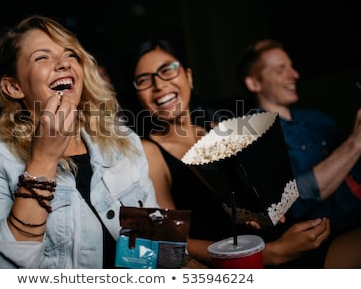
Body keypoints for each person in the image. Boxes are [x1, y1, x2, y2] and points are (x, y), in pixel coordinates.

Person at [127, 38, 360, 268]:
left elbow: (253, 199)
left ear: (188, 76)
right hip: (245, 262)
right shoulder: (148, 152)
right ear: (137, 95)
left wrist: (263, 212)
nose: (159, 85)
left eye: (167, 70)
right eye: (144, 80)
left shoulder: (219, 126)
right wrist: (265, 254)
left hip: (284, 238)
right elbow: (169, 243)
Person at [0, 15, 159, 268]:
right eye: (42, 57)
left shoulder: (123, 141)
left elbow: (151, 245)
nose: (63, 64)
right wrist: (43, 161)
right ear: (14, 87)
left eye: (70, 54)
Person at [237, 39, 361, 237]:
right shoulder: (249, 135)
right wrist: (356, 143)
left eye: (291, 67)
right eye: (280, 69)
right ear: (254, 83)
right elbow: (286, 201)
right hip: (330, 234)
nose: (294, 75)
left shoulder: (317, 118)